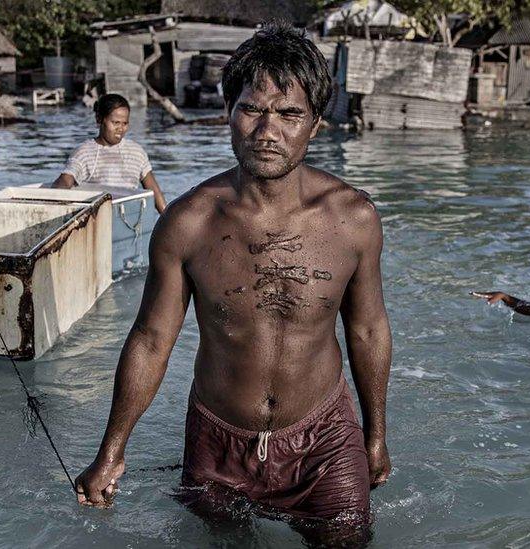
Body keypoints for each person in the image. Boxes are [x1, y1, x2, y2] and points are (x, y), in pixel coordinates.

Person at [74, 24, 392, 540]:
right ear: (229, 113)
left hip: (325, 441)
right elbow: (152, 340)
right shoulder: (188, 222)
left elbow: (369, 329)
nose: (268, 131)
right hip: (217, 442)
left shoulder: (352, 218)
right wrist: (111, 452)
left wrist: (375, 436)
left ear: (315, 125)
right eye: (252, 110)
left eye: (289, 114)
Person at [51, 93, 167, 214]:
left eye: (125, 123)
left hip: (128, 219)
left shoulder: (136, 152)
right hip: (96, 220)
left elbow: (154, 191)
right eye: (115, 123)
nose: (120, 128)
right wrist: (52, 202)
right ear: (99, 119)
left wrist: (166, 217)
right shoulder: (84, 153)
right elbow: (64, 181)